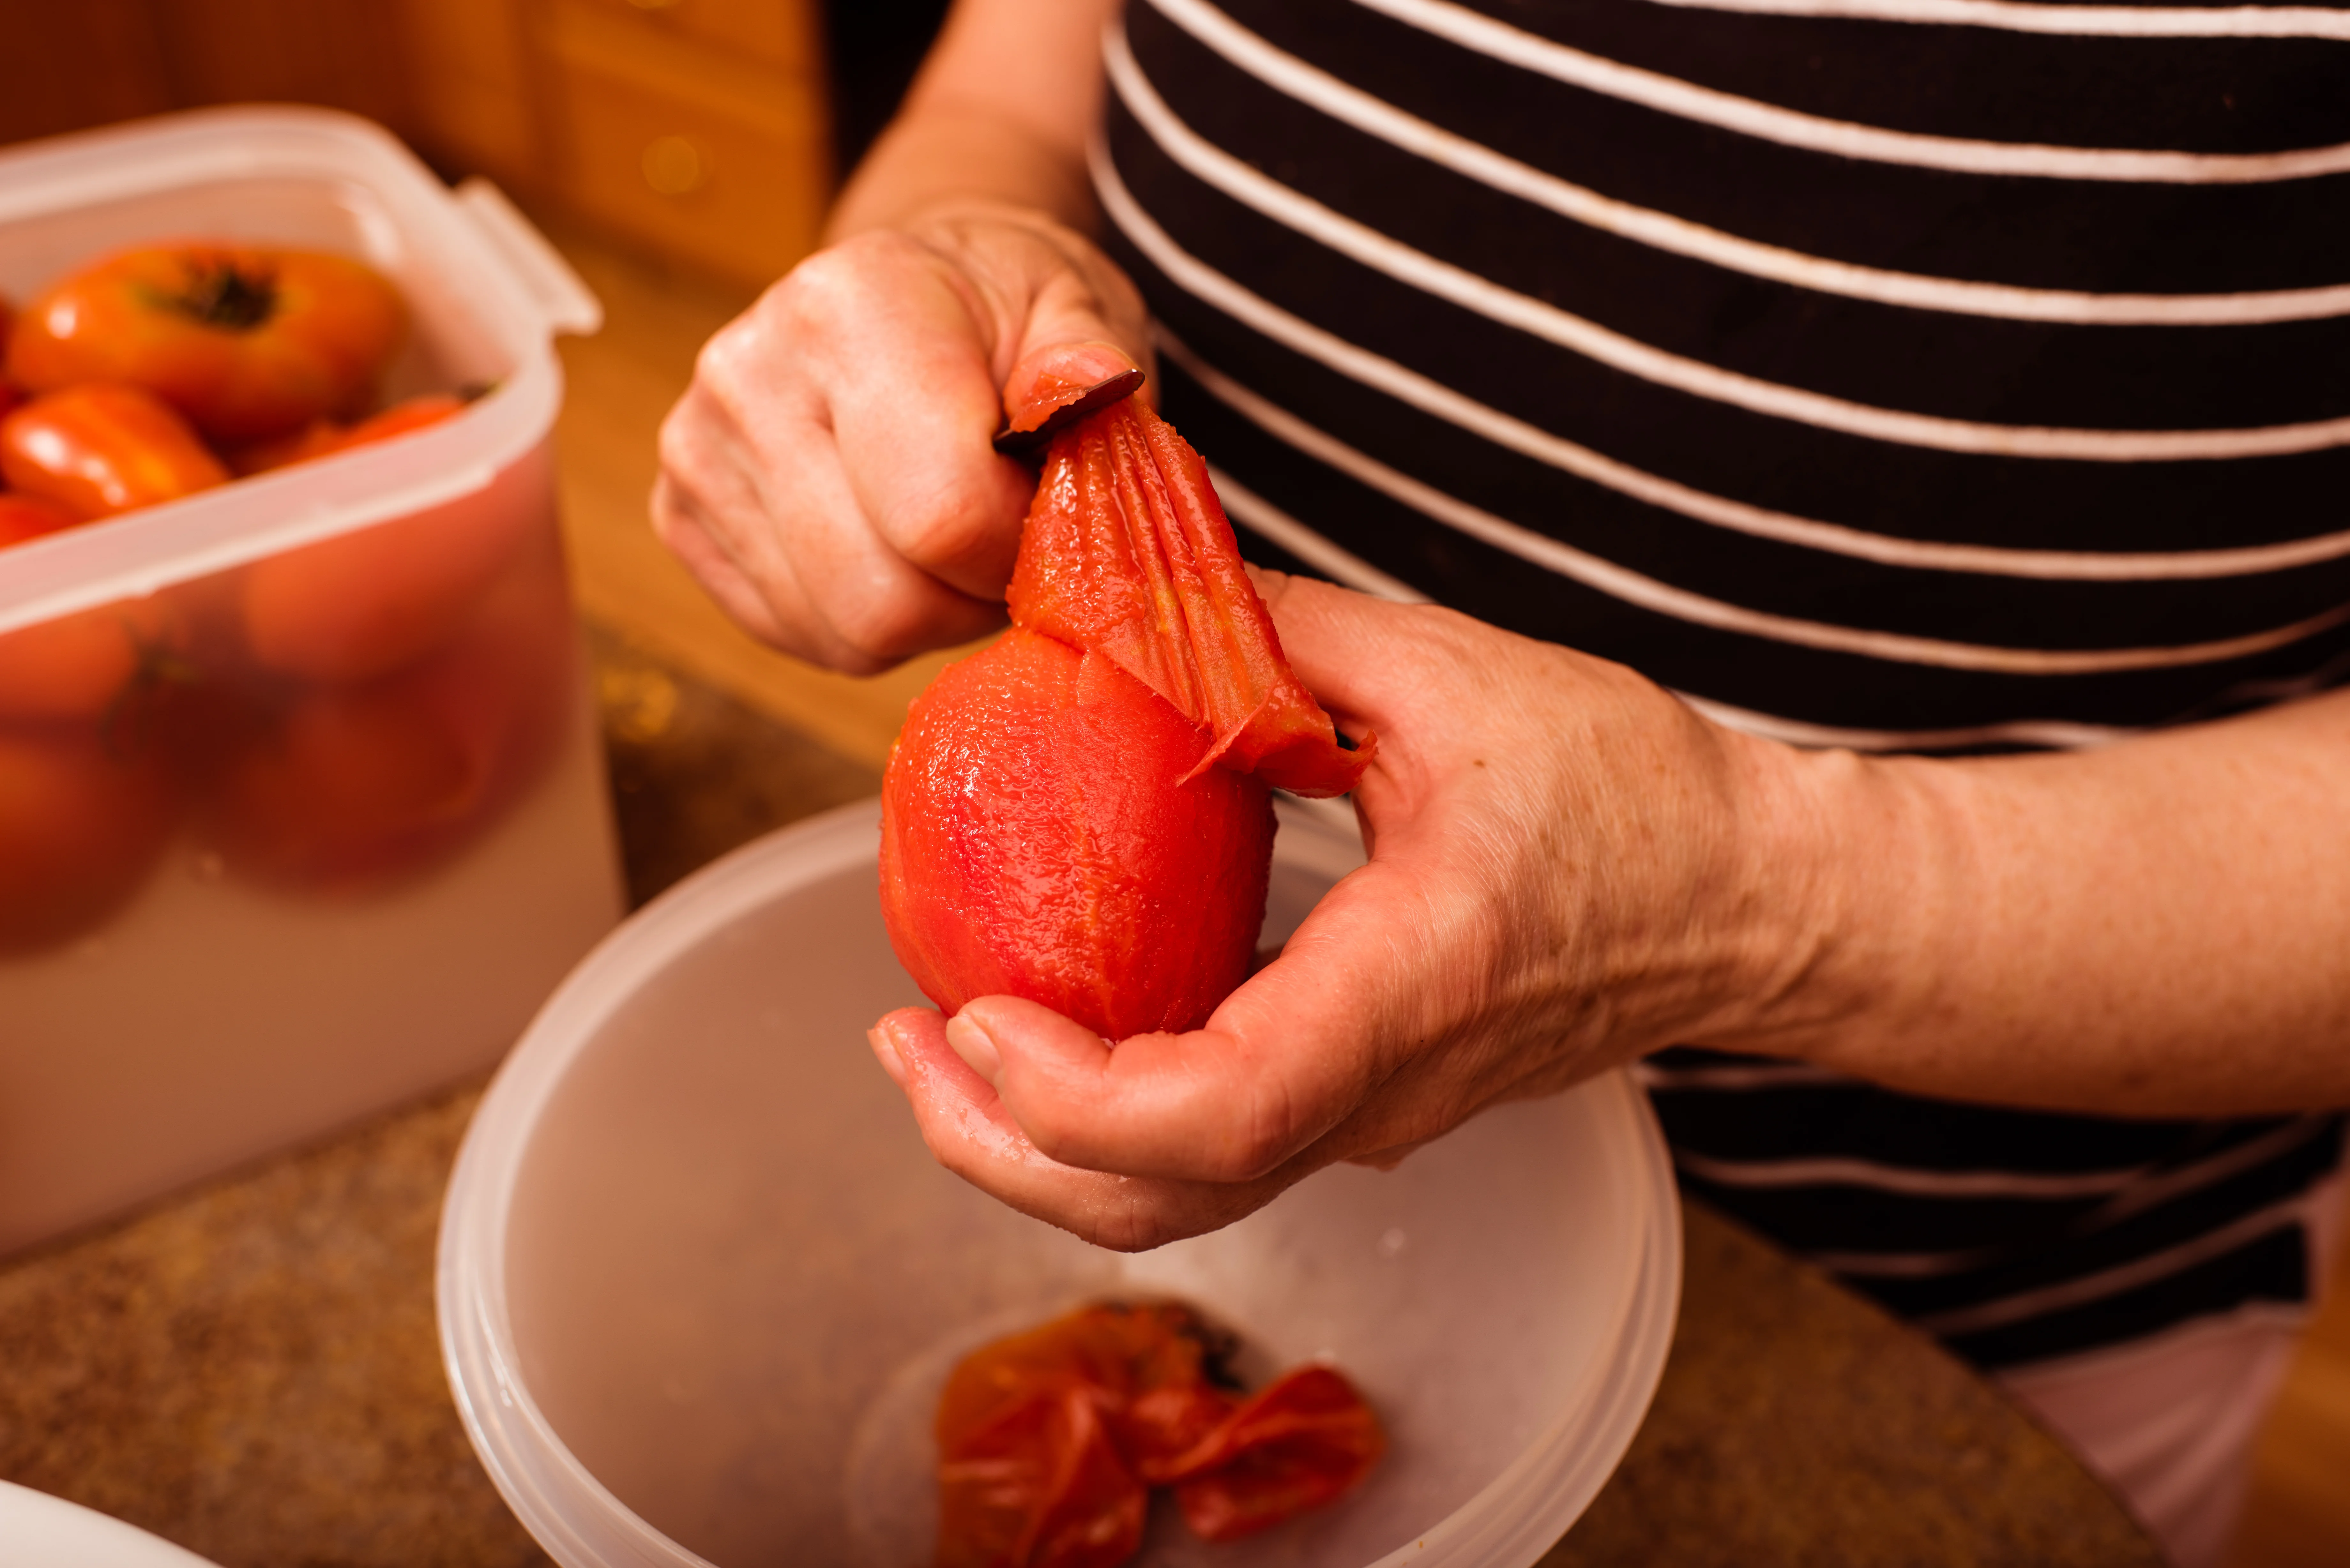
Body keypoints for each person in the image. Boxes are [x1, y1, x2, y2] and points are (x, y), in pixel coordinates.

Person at [652, 1, 2350, 1560]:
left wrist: (1766, 896)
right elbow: (1025, 66)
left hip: (1966, 1306)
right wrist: (963, 238)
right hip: (1266, 1202)